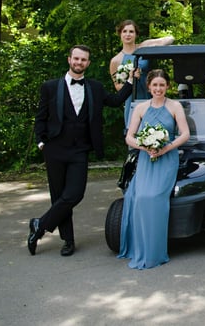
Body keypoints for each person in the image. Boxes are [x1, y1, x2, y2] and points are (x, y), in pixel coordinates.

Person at [29, 45, 133, 256]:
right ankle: (68, 240)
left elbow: (115, 101)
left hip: (79, 150)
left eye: (83, 60)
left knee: (74, 194)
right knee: (59, 196)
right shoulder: (50, 87)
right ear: (69, 60)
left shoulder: (95, 87)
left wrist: (131, 81)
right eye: (76, 59)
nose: (79, 62)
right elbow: (41, 117)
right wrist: (41, 142)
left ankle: (40, 224)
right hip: (55, 149)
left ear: (88, 63)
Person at [118, 70, 190, 269]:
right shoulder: (140, 107)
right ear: (149, 87)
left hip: (167, 158)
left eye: (162, 85)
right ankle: (141, 247)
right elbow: (129, 137)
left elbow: (185, 134)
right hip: (146, 159)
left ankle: (155, 252)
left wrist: (165, 148)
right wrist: (145, 146)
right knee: (139, 198)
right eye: (155, 85)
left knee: (154, 197)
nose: (158, 89)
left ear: (167, 86)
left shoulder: (175, 106)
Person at [109, 20, 174, 128]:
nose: (128, 34)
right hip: (132, 99)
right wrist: (130, 79)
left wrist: (153, 44)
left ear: (136, 34)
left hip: (151, 95)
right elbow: (118, 87)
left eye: (131, 31)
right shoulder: (116, 60)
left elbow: (170, 39)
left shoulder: (144, 47)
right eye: (124, 31)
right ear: (120, 34)